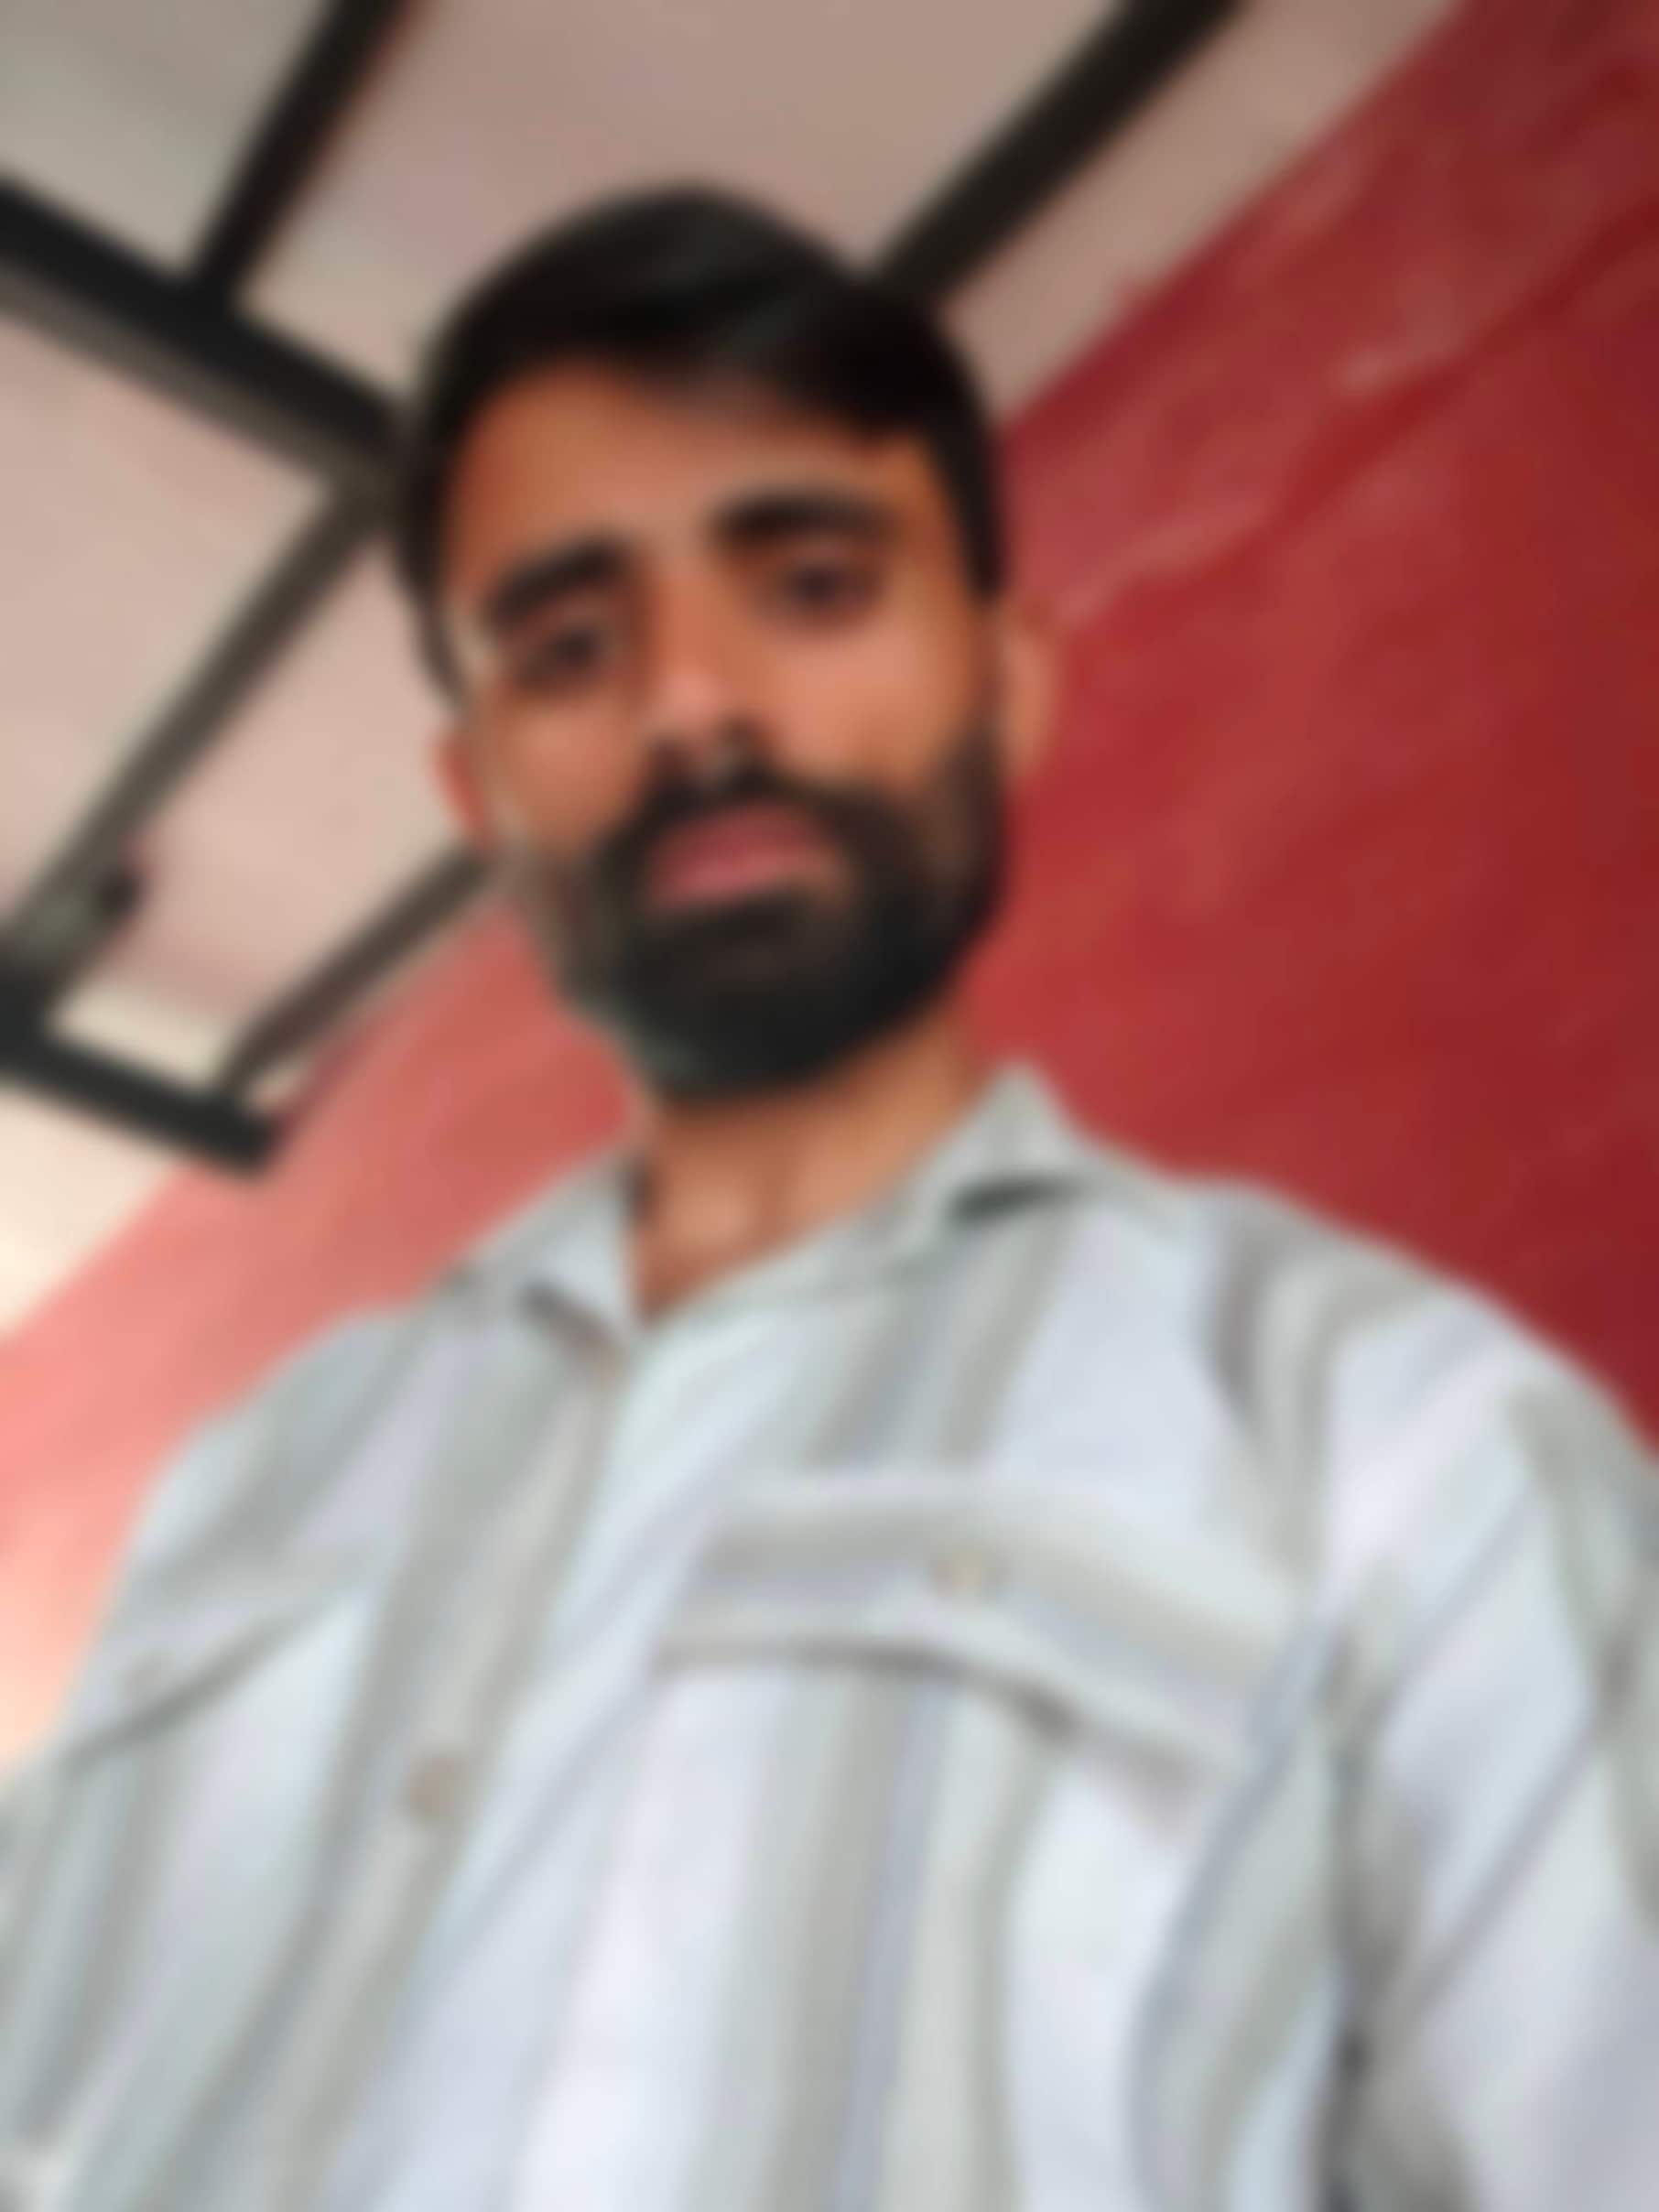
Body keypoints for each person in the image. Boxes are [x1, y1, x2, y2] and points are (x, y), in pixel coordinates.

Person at [1, 187, 1654, 2212]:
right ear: (479, 798)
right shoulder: (249, 1487)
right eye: (570, 645)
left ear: (1008, 683)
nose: (693, 700)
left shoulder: (1410, 1446)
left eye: (811, 583)